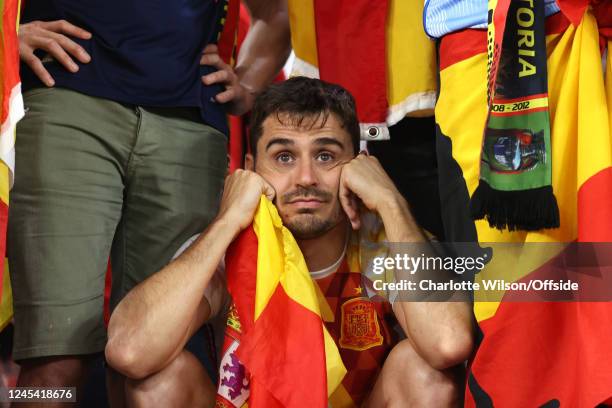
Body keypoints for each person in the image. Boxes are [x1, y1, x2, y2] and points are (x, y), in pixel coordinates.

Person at [105, 77, 474, 407]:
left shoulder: (387, 240)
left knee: (425, 372)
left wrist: (391, 202)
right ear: (250, 170)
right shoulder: (227, 245)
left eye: (326, 155)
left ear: (360, 165)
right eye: (283, 157)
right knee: (158, 381)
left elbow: (448, 343)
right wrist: (228, 219)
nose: (306, 178)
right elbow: (130, 352)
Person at [8, 0, 290, 402]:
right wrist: (6, 38)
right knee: (53, 359)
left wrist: (247, 82)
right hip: (66, 96)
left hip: (189, 125)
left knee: (156, 361)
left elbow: (275, 11)